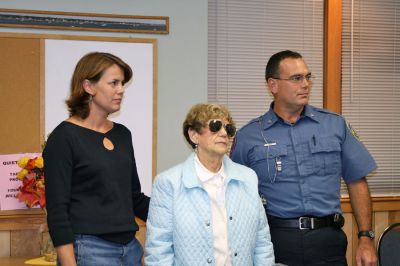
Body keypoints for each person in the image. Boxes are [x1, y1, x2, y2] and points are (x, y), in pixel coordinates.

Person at [230, 50, 377, 266]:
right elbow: (233, 196)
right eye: (297, 78)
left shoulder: (334, 125)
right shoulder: (248, 137)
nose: (306, 84)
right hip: (276, 242)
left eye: (308, 77)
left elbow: (357, 182)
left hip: (328, 241)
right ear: (273, 85)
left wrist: (366, 237)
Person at [43, 52, 150, 266]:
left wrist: (177, 212)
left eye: (122, 83)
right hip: (89, 251)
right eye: (113, 83)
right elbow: (57, 211)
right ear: (88, 86)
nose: (121, 90)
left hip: (130, 248)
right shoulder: (63, 137)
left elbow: (133, 198)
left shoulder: (122, 134)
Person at [144, 103, 275, 265]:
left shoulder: (248, 178)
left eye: (229, 129)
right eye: (215, 126)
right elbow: (158, 251)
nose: (223, 133)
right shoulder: (168, 183)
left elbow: (262, 241)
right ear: (194, 135)